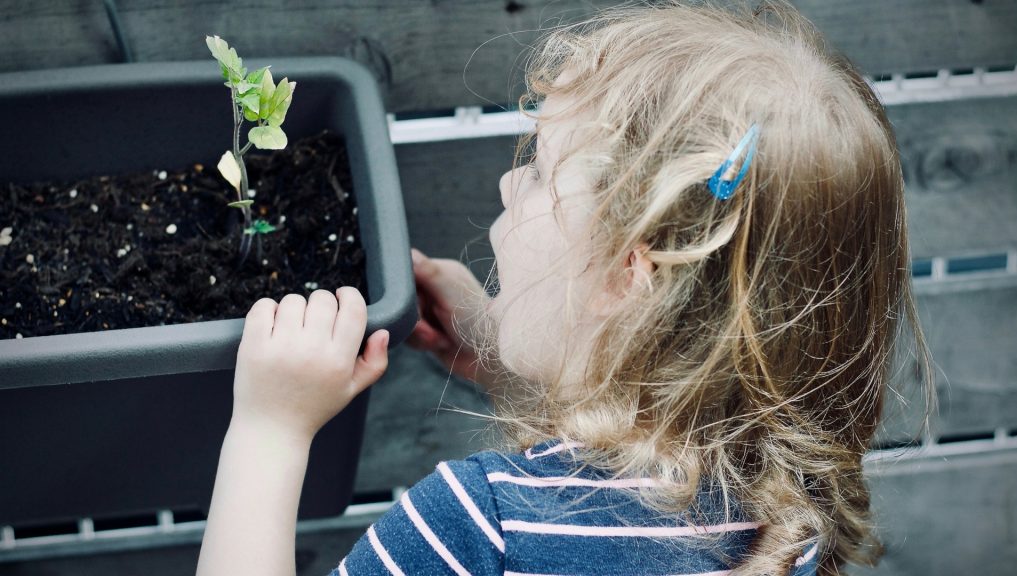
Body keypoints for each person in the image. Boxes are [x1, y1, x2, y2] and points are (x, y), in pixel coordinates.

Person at [197, 1, 934, 575]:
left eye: (541, 173)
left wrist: (269, 430)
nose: (507, 184)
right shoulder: (791, 508)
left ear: (628, 274)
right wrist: (497, 361)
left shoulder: (481, 529)